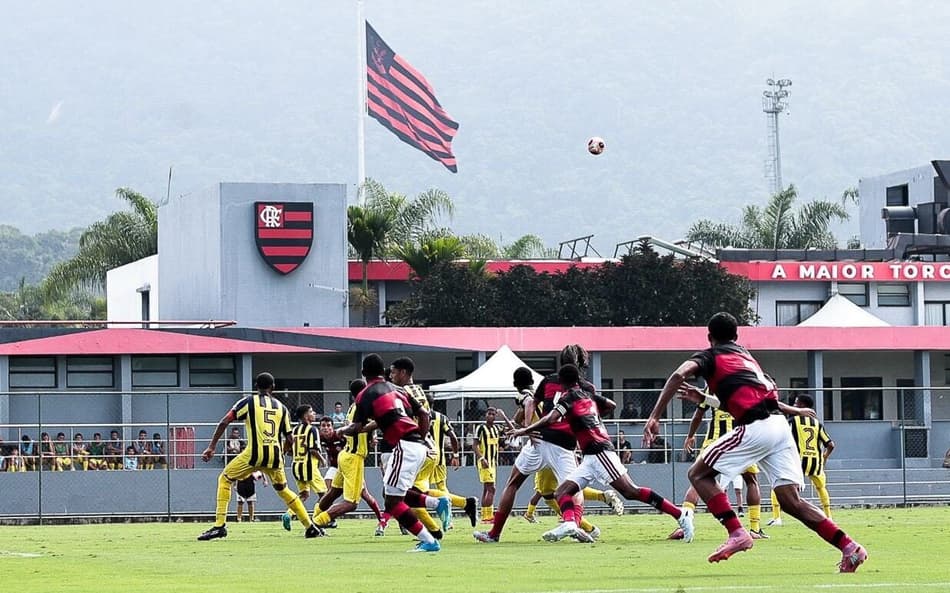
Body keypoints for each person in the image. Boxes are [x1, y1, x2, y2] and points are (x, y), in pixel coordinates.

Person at [643, 312, 867, 572]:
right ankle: (849, 547)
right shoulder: (747, 358)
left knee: (698, 474)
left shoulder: (709, 355)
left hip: (756, 427)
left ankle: (736, 532)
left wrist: (654, 416)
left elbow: (677, 375)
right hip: (779, 429)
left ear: (709, 337)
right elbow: (760, 400)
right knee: (790, 501)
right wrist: (706, 400)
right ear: (736, 336)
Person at [512, 364, 693, 543]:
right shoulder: (587, 394)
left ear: (563, 382)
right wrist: (592, 417)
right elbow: (610, 404)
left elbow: (551, 418)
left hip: (600, 452)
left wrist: (523, 431)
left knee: (631, 491)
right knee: (561, 492)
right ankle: (569, 523)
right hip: (590, 456)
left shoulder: (568, 398)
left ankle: (680, 515)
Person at [475, 346, 619, 544]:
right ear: (582, 363)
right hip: (564, 444)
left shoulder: (549, 380)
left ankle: (494, 533)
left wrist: (528, 426)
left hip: (539, 439)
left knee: (513, 483)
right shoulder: (587, 388)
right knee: (573, 490)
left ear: (561, 360)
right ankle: (574, 524)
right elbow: (605, 408)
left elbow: (531, 402)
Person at [335, 354, 449, 553]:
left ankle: (429, 540)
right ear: (384, 372)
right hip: (417, 445)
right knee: (394, 495)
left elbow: (356, 427)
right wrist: (420, 438)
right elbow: (423, 414)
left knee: (392, 501)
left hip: (405, 446)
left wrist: (340, 431)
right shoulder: (397, 389)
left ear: (363, 373)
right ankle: (436, 503)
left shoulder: (365, 394)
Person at [197, 371, 321, 541]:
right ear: (274, 388)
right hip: (275, 457)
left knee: (225, 479)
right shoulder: (282, 408)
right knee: (284, 490)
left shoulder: (248, 402)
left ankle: (220, 525)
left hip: (253, 455)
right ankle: (309, 526)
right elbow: (290, 438)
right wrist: (282, 454)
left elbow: (225, 421)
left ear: (256, 387)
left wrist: (211, 447)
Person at [668, 399, 766, 541]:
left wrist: (690, 435)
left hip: (715, 441)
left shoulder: (712, 386)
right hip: (740, 442)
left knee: (697, 480)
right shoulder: (746, 384)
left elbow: (698, 414)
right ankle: (755, 529)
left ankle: (684, 525)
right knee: (751, 481)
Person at [308, 380, 385, 533]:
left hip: (345, 455)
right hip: (354, 458)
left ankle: (314, 517)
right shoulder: (364, 406)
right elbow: (362, 426)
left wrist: (371, 435)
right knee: (351, 503)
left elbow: (364, 425)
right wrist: (382, 421)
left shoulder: (353, 407)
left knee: (333, 492)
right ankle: (316, 523)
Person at [770, 394, 836, 525]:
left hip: (796, 462)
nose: (794, 406)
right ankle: (829, 517)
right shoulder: (818, 424)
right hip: (815, 462)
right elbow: (831, 445)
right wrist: (824, 457)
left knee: (778, 485)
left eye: (795, 403)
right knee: (821, 488)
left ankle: (777, 518)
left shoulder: (793, 421)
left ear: (801, 406)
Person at [280, 404, 328, 529]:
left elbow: (287, 448)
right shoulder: (312, 430)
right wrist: (322, 459)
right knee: (324, 495)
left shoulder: (294, 430)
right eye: (311, 412)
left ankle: (288, 514)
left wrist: (287, 454)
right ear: (306, 416)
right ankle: (318, 520)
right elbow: (313, 450)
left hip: (296, 466)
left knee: (304, 494)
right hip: (310, 467)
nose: (314, 414)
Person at [474, 407, 503, 523]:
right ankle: (488, 516)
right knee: (492, 488)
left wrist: (504, 416)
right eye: (489, 414)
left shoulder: (496, 428)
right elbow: (474, 445)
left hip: (493, 463)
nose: (491, 416)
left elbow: (511, 429)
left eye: (493, 414)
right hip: (485, 462)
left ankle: (485, 516)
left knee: (487, 489)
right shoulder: (481, 428)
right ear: (485, 415)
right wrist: (481, 458)